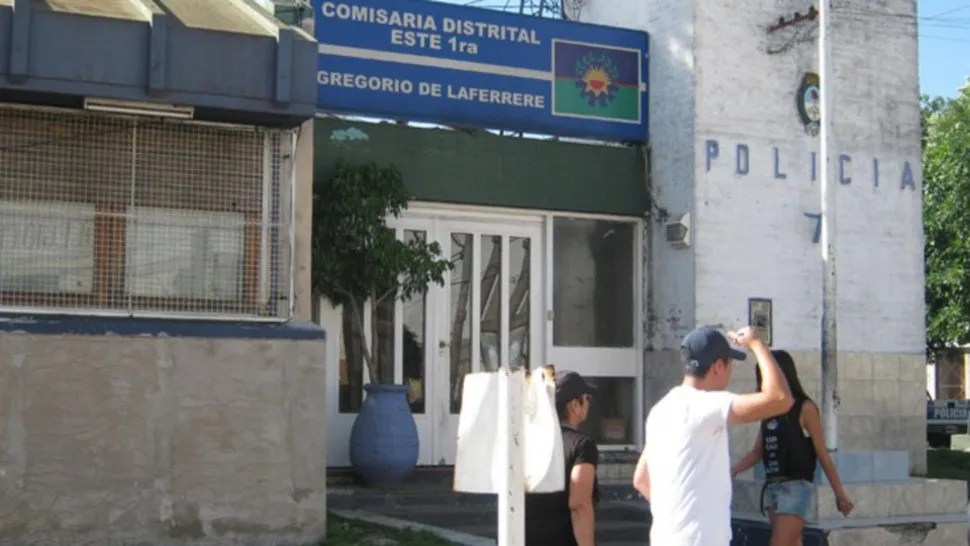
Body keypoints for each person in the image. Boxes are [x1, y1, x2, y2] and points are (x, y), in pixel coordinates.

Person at [633, 325, 793, 546]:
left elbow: (641, 479)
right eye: (730, 365)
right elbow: (781, 399)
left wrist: (678, 515)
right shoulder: (705, 405)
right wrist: (758, 344)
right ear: (718, 366)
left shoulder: (660, 410)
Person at [730, 349, 854, 545]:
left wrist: (840, 495)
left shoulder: (805, 408)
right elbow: (757, 451)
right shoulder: (769, 411)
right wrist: (734, 469)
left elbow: (822, 453)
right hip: (772, 486)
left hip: (795, 486)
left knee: (778, 542)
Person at [525, 370, 600, 546]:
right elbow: (579, 505)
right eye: (587, 398)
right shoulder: (582, 446)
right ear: (574, 405)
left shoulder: (528, 442)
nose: (589, 403)